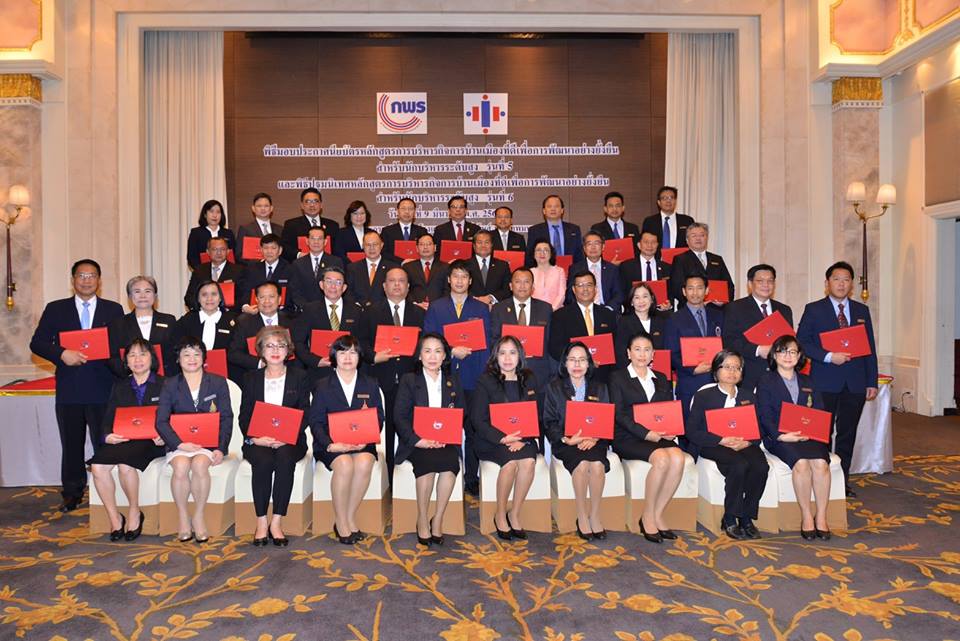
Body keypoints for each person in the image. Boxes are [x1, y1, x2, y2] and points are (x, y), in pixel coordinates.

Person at [30, 259, 125, 512]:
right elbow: (37, 343)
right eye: (81, 275)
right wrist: (61, 353)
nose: (86, 280)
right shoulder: (56, 309)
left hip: (103, 388)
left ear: (99, 280)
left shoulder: (113, 309)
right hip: (69, 389)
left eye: (91, 275)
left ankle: (107, 492)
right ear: (73, 280)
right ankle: (72, 493)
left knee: (104, 443)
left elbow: (120, 345)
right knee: (71, 444)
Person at [796, 261, 878, 497]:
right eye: (836, 279)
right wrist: (829, 356)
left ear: (851, 284)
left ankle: (842, 482)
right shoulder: (814, 309)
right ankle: (821, 480)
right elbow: (802, 342)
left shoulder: (861, 311)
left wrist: (871, 381)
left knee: (847, 434)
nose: (841, 284)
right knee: (821, 433)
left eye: (846, 280)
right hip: (824, 381)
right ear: (827, 283)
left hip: (855, 382)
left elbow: (870, 347)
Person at [156, 336, 234, 543]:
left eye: (196, 354)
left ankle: (198, 515)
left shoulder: (217, 382)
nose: (192, 359)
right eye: (186, 355)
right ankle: (183, 517)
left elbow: (226, 417)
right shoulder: (170, 384)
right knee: (181, 466)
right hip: (179, 443)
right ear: (178, 359)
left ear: (204, 358)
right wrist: (179, 444)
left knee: (200, 465)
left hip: (207, 444)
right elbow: (161, 421)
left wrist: (221, 448)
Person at [609, 334, 686, 543]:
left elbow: (666, 410)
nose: (642, 354)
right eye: (637, 349)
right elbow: (619, 415)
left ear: (653, 354)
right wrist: (646, 433)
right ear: (628, 353)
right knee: (662, 459)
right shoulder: (617, 378)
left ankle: (658, 514)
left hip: (658, 434)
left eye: (647, 349)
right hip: (628, 436)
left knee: (679, 458)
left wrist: (669, 429)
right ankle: (647, 516)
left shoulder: (661, 377)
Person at [237, 326, 310, 547]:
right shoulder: (251, 378)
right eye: (269, 346)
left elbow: (305, 413)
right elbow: (245, 415)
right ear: (260, 350)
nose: (275, 350)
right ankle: (261, 521)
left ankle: (276, 521)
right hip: (258, 439)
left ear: (288, 350)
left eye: (280, 345)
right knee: (263, 460)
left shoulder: (300, 376)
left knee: (285, 458)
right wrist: (255, 437)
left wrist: (287, 436)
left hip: (291, 440)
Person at [423, 260, 492, 495]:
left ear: (470, 281)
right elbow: (429, 338)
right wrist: (451, 350)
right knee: (447, 428)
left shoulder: (481, 308)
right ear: (449, 280)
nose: (460, 281)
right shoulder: (437, 307)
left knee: (472, 429)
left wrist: (484, 378)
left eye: (464, 276)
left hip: (473, 377)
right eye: (456, 276)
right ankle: (450, 472)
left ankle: (471, 477)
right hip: (444, 376)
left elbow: (487, 344)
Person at [685, 350, 768, 540]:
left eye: (737, 368)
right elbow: (692, 431)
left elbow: (759, 429)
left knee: (761, 466)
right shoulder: (704, 396)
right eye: (727, 367)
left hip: (743, 443)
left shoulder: (749, 397)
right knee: (739, 465)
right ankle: (730, 516)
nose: (732, 372)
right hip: (713, 443)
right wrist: (720, 440)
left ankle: (746, 516)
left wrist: (748, 441)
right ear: (716, 370)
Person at [309, 335, 385, 544]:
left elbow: (378, 417)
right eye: (342, 352)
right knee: (344, 464)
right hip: (331, 444)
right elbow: (315, 421)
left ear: (359, 357)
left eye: (352, 352)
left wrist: (367, 438)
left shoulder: (370, 383)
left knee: (364, 462)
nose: (348, 357)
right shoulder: (322, 385)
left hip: (362, 441)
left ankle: (349, 516)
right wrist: (330, 444)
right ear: (334, 356)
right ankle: (341, 522)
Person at [88, 338, 166, 541]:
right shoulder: (119, 386)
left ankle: (134, 511)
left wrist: (165, 435)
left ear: (152, 358)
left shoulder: (165, 384)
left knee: (125, 465)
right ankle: (114, 517)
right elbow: (108, 417)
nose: (137, 360)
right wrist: (107, 435)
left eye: (142, 354)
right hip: (123, 439)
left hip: (151, 441)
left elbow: (173, 415)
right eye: (132, 355)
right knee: (97, 466)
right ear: (127, 362)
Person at [756, 335, 832, 540]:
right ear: (774, 355)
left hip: (809, 436)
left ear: (799, 356)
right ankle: (806, 516)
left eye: (792, 351)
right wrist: (781, 436)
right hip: (779, 438)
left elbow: (819, 410)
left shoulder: (808, 381)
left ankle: (821, 516)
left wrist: (812, 432)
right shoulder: (766, 381)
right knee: (801, 464)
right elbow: (764, 415)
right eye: (782, 351)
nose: (787, 356)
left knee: (821, 464)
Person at [393, 333, 465, 546]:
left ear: (445, 356)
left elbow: (462, 412)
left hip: (445, 441)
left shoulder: (453, 380)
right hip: (417, 442)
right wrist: (418, 440)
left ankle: (438, 518)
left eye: (438, 351)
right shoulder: (409, 380)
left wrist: (447, 435)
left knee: (450, 466)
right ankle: (423, 518)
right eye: (427, 351)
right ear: (419, 355)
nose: (432, 356)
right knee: (427, 465)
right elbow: (399, 416)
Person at [357, 268, 426, 473]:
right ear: (384, 286)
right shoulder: (370, 312)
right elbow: (360, 342)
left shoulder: (419, 313)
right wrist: (373, 356)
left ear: (408, 286)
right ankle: (387, 476)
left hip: (411, 380)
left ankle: (406, 472)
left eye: (401, 281)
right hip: (380, 378)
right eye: (392, 281)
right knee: (384, 430)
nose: (397, 285)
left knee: (410, 427)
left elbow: (426, 344)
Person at [471, 336, 540, 540]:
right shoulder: (485, 381)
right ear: (495, 357)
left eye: (512, 353)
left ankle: (514, 513)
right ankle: (500, 514)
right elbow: (478, 419)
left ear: (520, 356)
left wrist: (523, 438)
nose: (507, 358)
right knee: (510, 464)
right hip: (492, 440)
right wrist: (503, 438)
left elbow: (535, 413)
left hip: (523, 437)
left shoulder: (529, 378)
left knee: (528, 461)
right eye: (502, 353)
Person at [543, 341, 611, 540]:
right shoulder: (554, 388)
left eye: (582, 360)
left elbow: (607, 419)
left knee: (597, 465)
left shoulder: (600, 388)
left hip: (594, 440)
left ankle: (595, 515)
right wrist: (566, 439)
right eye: (572, 360)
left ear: (589, 363)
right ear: (565, 363)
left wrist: (595, 437)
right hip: (567, 443)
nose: (577, 364)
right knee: (581, 465)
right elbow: (549, 422)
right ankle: (582, 516)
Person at [722, 264, 794, 394]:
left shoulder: (784, 310)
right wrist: (758, 350)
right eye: (760, 281)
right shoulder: (735, 308)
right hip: (750, 374)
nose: (766, 285)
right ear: (750, 284)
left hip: (780, 374)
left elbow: (790, 341)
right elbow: (729, 341)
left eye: (770, 281)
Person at [291, 266, 364, 385]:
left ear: (344, 287)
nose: (333, 286)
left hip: (349, 371)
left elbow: (362, 341)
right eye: (329, 282)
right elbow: (298, 342)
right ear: (321, 285)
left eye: (338, 282)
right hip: (319, 372)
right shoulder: (309, 309)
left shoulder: (356, 311)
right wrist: (316, 361)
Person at [664, 275, 724, 416]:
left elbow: (725, 345)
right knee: (690, 425)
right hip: (689, 382)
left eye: (699, 288)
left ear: (707, 290)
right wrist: (693, 369)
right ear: (684, 291)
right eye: (690, 288)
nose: (695, 292)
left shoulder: (718, 316)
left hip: (717, 381)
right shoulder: (674, 319)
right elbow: (671, 352)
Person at [490, 268, 554, 398]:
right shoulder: (498, 309)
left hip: (538, 372)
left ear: (533, 286)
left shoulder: (546, 308)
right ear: (510, 286)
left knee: (537, 409)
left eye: (526, 282)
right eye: (518, 282)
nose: (522, 286)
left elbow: (549, 341)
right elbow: (494, 340)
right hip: (508, 372)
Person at [548, 270, 617, 383]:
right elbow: (555, 347)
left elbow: (615, 345)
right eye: (580, 285)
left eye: (589, 285)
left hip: (603, 376)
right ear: (574, 289)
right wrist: (579, 361)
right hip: (573, 376)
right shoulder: (560, 315)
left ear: (595, 288)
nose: (585, 289)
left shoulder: (607, 314)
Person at [107, 275, 177, 378]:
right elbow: (113, 357)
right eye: (137, 291)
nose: (143, 296)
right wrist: (129, 375)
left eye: (148, 291)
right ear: (130, 296)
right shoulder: (118, 324)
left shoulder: (168, 320)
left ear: (155, 295)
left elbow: (175, 353)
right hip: (131, 381)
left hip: (165, 381)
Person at [228, 281, 296, 385]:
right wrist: (260, 363)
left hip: (287, 377)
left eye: (271, 297)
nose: (267, 301)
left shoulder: (291, 322)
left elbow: (297, 351)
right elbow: (233, 354)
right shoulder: (244, 323)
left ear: (279, 299)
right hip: (255, 378)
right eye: (262, 297)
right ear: (256, 300)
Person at [668, 222, 734, 307]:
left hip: (716, 309)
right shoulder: (680, 259)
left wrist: (724, 301)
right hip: (690, 309)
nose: (698, 238)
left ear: (707, 238)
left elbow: (729, 286)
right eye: (694, 236)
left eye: (702, 235)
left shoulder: (717, 259)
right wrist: (697, 302)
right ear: (687, 240)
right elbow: (676, 288)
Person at [287, 225, 344, 313]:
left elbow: (338, 287)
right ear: (307, 241)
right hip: (304, 310)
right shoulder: (297, 264)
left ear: (325, 241)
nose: (316, 242)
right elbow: (294, 290)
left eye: (320, 239)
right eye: (313, 238)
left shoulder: (335, 261)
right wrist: (306, 307)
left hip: (329, 309)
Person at [568, 230, 624, 313]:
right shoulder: (575, 268)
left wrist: (608, 309)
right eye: (589, 244)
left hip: (607, 310)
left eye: (596, 243)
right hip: (583, 310)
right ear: (584, 248)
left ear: (603, 247)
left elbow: (619, 294)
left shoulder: (612, 269)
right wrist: (582, 309)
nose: (593, 247)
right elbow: (570, 295)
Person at [614, 282, 669, 368]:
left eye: (645, 296)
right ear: (631, 302)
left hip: (658, 370)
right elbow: (621, 354)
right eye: (637, 297)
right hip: (632, 371)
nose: (641, 301)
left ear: (651, 299)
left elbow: (666, 350)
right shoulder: (624, 322)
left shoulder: (661, 321)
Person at [184, 237, 245, 312]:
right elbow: (190, 296)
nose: (219, 253)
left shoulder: (239, 270)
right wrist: (202, 309)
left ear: (228, 251)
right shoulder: (199, 270)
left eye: (222, 249)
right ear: (207, 252)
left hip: (229, 313)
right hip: (202, 312)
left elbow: (242, 297)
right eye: (214, 249)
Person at [280, 188, 340, 261]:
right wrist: (299, 254)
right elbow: (284, 247)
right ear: (302, 205)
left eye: (315, 201)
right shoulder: (291, 225)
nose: (312, 205)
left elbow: (338, 249)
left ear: (321, 204)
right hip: (301, 265)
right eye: (308, 201)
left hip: (328, 264)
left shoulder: (332, 225)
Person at [525, 194, 584, 266]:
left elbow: (579, 256)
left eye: (556, 206)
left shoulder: (574, 230)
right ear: (544, 211)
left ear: (562, 210)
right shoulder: (534, 231)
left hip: (570, 270)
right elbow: (530, 257)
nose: (553, 209)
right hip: (543, 270)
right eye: (549, 206)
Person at [238, 234, 291, 313]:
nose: (269, 251)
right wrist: (246, 306)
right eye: (266, 248)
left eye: (273, 248)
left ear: (280, 250)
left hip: (282, 312)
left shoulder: (290, 269)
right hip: (255, 311)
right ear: (261, 250)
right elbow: (245, 291)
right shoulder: (252, 269)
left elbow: (292, 295)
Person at [345, 230, 399, 306]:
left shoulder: (393, 268)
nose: (372, 248)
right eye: (368, 245)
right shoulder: (352, 268)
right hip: (359, 310)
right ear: (363, 246)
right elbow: (348, 293)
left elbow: (396, 292)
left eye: (375, 244)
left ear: (381, 245)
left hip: (384, 310)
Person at [464, 230, 512, 307]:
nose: (483, 246)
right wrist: (476, 299)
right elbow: (459, 287)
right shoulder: (465, 265)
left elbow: (508, 289)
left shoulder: (503, 265)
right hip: (470, 306)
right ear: (474, 246)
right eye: (479, 242)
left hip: (496, 308)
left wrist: (491, 298)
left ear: (492, 245)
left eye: (487, 242)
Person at [617, 231, 672, 297]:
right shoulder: (626, 267)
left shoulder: (667, 267)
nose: (650, 245)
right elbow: (621, 292)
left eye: (653, 242)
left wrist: (669, 302)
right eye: (646, 242)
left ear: (657, 245)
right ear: (639, 245)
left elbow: (670, 292)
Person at [186, 199, 237, 270]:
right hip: (203, 273)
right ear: (205, 214)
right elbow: (192, 258)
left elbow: (234, 255)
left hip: (226, 273)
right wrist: (202, 272)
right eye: (211, 211)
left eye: (218, 212)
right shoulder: (196, 233)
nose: (215, 215)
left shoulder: (228, 233)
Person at [640, 186, 694, 250]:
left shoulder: (687, 221)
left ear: (675, 201)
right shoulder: (650, 222)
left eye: (671, 198)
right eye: (664, 198)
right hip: (657, 256)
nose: (668, 201)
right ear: (659, 202)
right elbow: (644, 244)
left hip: (682, 256)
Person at [236, 193, 283, 267]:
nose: (263, 208)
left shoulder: (280, 229)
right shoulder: (245, 229)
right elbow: (239, 254)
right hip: (253, 269)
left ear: (271, 208)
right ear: (253, 208)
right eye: (259, 206)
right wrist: (259, 263)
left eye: (266, 206)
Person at [403, 232, 449, 308]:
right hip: (415, 308)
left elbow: (447, 289)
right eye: (422, 244)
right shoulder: (408, 267)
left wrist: (438, 305)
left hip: (439, 308)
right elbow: (405, 289)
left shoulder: (445, 267)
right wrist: (415, 304)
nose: (425, 247)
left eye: (429, 244)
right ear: (417, 248)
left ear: (435, 247)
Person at [381, 197, 428, 262]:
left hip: (416, 266)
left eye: (410, 209)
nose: (407, 212)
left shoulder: (422, 231)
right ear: (397, 211)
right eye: (403, 208)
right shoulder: (387, 231)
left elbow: (426, 251)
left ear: (414, 212)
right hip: (394, 265)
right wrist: (402, 261)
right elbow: (384, 252)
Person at [530, 240, 567, 311]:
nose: (542, 253)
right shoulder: (529, 272)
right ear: (534, 254)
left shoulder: (559, 271)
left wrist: (552, 309)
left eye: (546, 250)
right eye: (538, 250)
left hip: (556, 311)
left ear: (551, 254)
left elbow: (561, 294)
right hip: (534, 311)